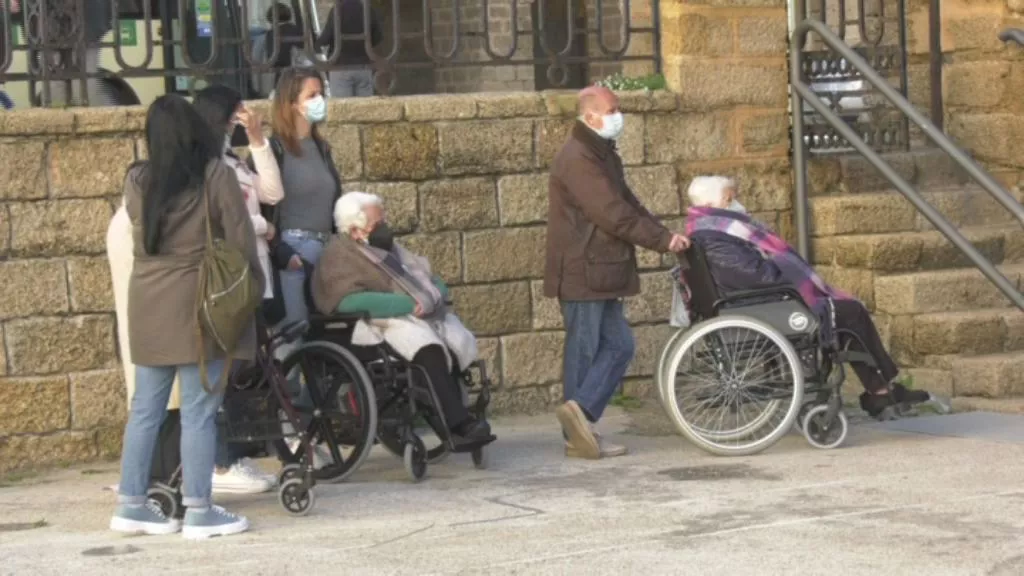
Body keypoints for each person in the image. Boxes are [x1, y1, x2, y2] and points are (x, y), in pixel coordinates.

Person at [111, 94, 263, 539]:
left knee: (145, 410)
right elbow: (239, 240)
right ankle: (199, 508)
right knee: (199, 411)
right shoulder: (214, 175)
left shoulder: (137, 179)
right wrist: (251, 289)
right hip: (198, 303)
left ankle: (131, 503)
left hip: (147, 301)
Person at [684, 176, 951, 419]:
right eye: (730, 197)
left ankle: (880, 389)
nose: (736, 202)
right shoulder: (716, 236)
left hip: (754, 305)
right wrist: (789, 272)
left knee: (847, 313)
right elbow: (758, 277)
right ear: (716, 201)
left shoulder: (708, 230)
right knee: (851, 313)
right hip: (763, 307)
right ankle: (881, 390)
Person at [544, 85, 690, 460]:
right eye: (612, 109)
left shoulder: (599, 153)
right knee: (585, 349)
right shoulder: (578, 157)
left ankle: (580, 420)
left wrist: (665, 235)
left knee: (618, 346)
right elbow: (611, 212)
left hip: (601, 268)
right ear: (590, 115)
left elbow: (628, 203)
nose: (618, 115)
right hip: (584, 268)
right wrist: (660, 240)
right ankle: (577, 431)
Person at [310, 192, 495, 448]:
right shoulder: (339, 255)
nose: (385, 227)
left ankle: (457, 417)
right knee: (427, 349)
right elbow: (344, 300)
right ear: (355, 230)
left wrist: (433, 295)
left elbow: (429, 279)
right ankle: (457, 423)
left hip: (414, 316)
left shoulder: (390, 250)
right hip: (373, 324)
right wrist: (407, 305)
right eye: (377, 223)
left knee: (452, 338)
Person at [192, 84, 287, 494]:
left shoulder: (234, 161)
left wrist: (258, 140)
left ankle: (239, 451)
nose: (241, 118)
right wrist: (264, 227)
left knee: (252, 366)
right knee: (229, 372)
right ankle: (220, 461)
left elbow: (272, 193)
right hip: (230, 276)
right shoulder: (204, 166)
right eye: (236, 115)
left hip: (257, 274)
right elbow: (219, 220)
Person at [260, 67, 342, 341]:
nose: (320, 101)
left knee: (321, 338)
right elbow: (262, 210)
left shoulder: (321, 148)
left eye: (322, 93)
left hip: (324, 252)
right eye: (312, 95)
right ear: (292, 103)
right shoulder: (275, 150)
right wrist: (283, 253)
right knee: (292, 338)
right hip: (293, 253)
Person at [315, 0, 383, 98]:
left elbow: (326, 38)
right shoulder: (368, 9)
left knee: (343, 108)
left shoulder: (337, 10)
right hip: (364, 65)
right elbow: (378, 37)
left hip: (340, 65)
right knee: (364, 108)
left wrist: (316, 42)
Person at [263, 3, 305, 87]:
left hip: (282, 74)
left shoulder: (271, 33)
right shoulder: (297, 30)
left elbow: (271, 59)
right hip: (302, 72)